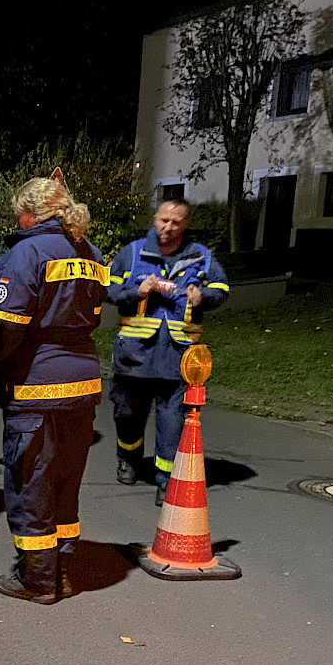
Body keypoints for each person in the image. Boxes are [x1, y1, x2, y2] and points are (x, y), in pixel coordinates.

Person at [0, 174, 107, 604]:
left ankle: (37, 579)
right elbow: (93, 313)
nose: (17, 220)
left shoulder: (26, 252)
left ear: (30, 213)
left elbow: (4, 328)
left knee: (31, 481)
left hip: (37, 384)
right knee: (64, 482)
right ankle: (63, 570)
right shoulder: (91, 253)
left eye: (19, 213)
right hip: (83, 384)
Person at [107, 200, 230, 506]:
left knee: (172, 418)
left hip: (179, 354)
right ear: (154, 219)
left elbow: (222, 288)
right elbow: (107, 289)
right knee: (127, 413)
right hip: (135, 354)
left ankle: (166, 480)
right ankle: (129, 457)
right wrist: (138, 291)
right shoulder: (133, 252)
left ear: (185, 224)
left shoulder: (201, 256)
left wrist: (205, 296)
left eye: (176, 222)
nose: (168, 227)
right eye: (164, 220)